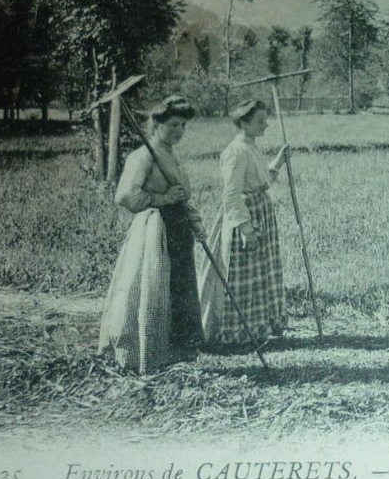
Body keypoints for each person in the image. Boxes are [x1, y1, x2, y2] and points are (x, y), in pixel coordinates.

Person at [98, 94, 204, 373]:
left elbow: (183, 196)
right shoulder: (144, 155)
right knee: (156, 289)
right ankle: (149, 351)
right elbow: (125, 196)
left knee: (179, 289)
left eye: (183, 125)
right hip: (155, 231)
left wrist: (185, 209)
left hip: (179, 230)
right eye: (173, 124)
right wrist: (162, 198)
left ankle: (179, 352)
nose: (179, 131)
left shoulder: (169, 154)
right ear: (155, 125)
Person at [198, 98, 291, 349]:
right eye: (260, 120)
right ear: (243, 123)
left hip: (261, 213)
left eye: (265, 119)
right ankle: (236, 334)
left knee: (260, 273)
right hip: (245, 218)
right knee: (242, 277)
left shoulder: (251, 147)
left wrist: (279, 163)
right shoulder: (235, 152)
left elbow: (260, 181)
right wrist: (246, 228)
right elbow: (231, 195)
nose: (266, 125)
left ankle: (258, 327)